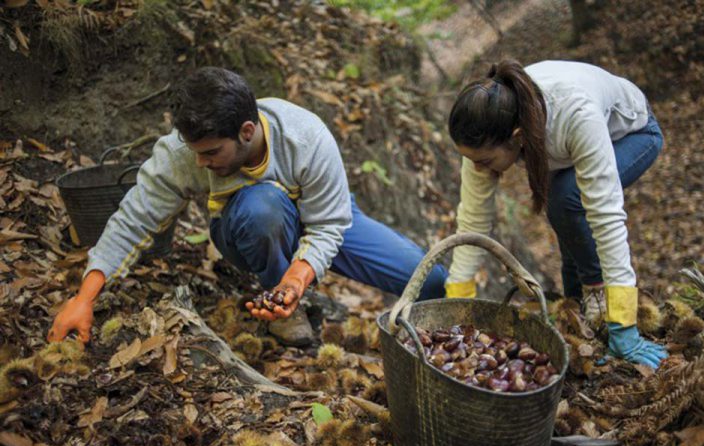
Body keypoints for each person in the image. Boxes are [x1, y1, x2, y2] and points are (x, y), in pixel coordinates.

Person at [49, 67, 446, 346]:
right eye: (194, 152)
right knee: (263, 208)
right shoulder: (183, 154)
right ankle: (282, 312)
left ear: (247, 131)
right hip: (247, 226)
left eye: (211, 152)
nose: (201, 163)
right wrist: (84, 298)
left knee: (431, 281)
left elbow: (328, 225)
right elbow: (133, 219)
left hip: (325, 218)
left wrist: (298, 277)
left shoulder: (306, 138)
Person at [444, 59, 667, 369]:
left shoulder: (574, 113)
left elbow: (605, 215)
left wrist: (623, 321)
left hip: (632, 134)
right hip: (567, 148)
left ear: (518, 136)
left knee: (565, 200)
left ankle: (602, 305)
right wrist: (459, 300)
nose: (478, 167)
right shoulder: (486, 133)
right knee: (566, 223)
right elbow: (473, 221)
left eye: (484, 160)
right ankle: (578, 314)